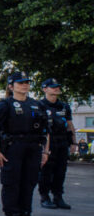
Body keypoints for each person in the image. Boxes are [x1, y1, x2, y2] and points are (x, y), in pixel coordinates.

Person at [0, 72, 49, 216]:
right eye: (20, 82)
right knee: (12, 184)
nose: (24, 85)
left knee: (29, 184)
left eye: (27, 82)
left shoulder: (36, 105)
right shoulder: (4, 105)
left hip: (33, 148)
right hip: (13, 148)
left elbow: (45, 130)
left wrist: (45, 152)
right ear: (11, 86)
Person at [38, 79, 78, 209]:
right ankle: (45, 197)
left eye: (57, 86)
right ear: (45, 89)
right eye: (52, 87)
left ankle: (58, 196)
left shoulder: (64, 106)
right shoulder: (40, 105)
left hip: (62, 142)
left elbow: (70, 125)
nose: (56, 89)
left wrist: (73, 142)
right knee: (46, 171)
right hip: (48, 142)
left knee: (60, 171)